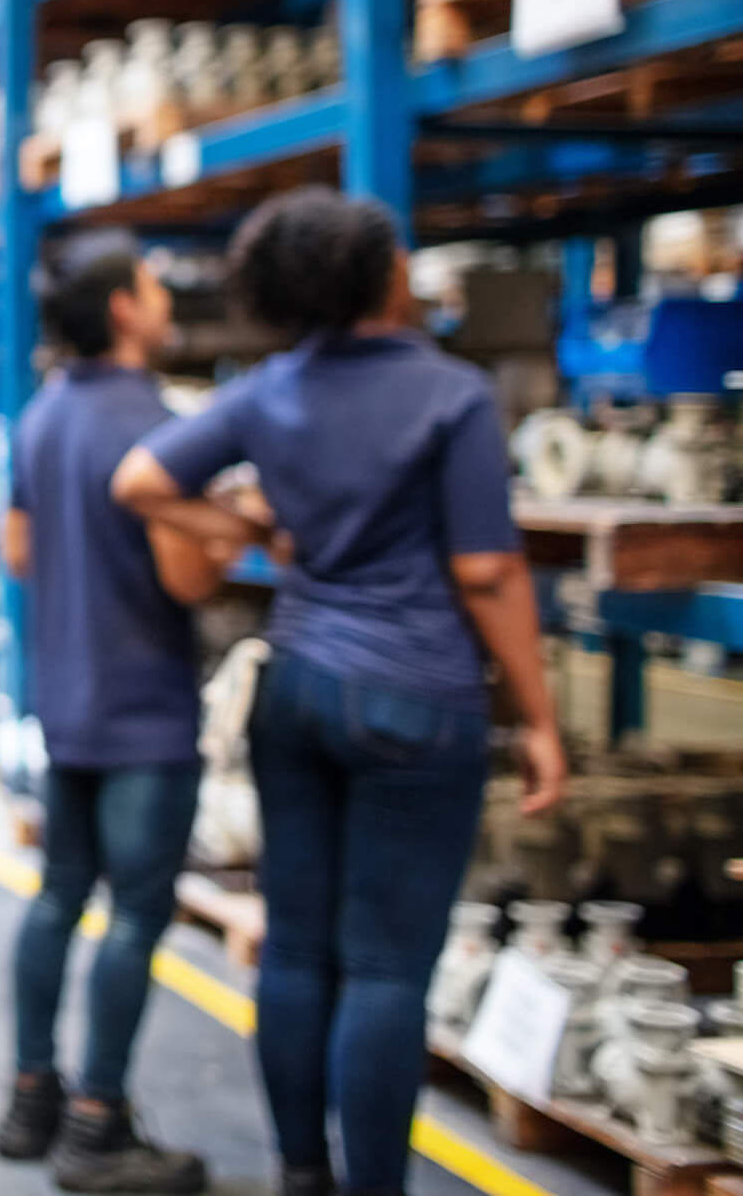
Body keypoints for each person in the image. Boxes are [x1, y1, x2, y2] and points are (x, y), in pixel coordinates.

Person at [111, 187, 568, 1196]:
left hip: (300, 684)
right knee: (387, 968)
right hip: (417, 696)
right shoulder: (451, 395)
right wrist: (539, 717)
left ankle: (301, 1172)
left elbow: (142, 479)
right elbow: (490, 570)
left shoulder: (267, 391)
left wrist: (255, 534)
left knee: (298, 947)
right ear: (380, 276)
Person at [0, 239, 228, 1194]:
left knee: (58, 897)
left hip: (71, 702)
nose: (164, 293)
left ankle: (29, 1096)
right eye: (151, 282)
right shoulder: (165, 427)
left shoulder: (43, 417)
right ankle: (99, 1121)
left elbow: (17, 551)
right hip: (148, 712)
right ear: (126, 312)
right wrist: (225, 533)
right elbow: (185, 573)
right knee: (135, 915)